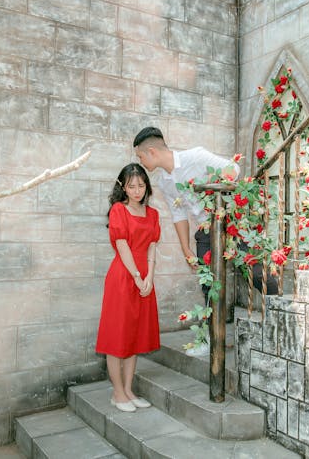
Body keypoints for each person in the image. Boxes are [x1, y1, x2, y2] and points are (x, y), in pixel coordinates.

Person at [132, 126, 277, 300]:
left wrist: (210, 182)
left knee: (255, 272)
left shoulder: (195, 157)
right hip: (205, 230)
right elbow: (179, 215)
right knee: (207, 285)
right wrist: (186, 249)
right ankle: (212, 326)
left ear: (151, 152)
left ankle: (280, 309)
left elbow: (234, 170)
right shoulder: (164, 182)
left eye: (140, 157)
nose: (141, 162)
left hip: (230, 223)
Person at [95, 163, 160, 413]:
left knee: (135, 335)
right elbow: (122, 245)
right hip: (123, 276)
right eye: (131, 186)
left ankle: (129, 390)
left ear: (147, 186)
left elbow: (152, 246)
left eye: (141, 185)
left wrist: (150, 277)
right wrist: (136, 276)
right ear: (123, 186)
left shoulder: (153, 214)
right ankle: (117, 392)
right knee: (117, 335)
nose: (137, 190)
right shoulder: (118, 210)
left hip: (144, 277)